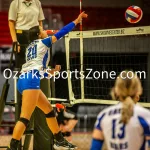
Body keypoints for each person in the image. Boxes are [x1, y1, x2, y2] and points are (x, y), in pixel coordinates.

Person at [7, 11, 88, 150]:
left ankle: (59, 139)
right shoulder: (43, 42)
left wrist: (52, 72)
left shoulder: (30, 49)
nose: (45, 31)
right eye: (42, 30)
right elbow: (62, 32)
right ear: (39, 35)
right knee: (25, 118)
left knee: (49, 111)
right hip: (30, 80)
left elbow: (36, 69)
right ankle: (12, 146)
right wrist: (77, 20)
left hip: (25, 80)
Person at [90, 71, 150, 150]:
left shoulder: (104, 115)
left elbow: (95, 147)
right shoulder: (144, 115)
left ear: (116, 91)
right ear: (138, 91)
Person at [8, 0, 45, 68]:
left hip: (35, 36)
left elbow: (40, 21)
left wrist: (41, 35)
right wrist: (15, 42)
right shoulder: (15, 3)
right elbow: (11, 23)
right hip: (21, 36)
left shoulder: (37, 2)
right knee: (21, 67)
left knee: (35, 65)